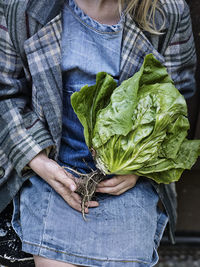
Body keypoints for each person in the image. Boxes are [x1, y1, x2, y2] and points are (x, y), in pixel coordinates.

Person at [0, 0, 197, 266]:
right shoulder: (22, 7)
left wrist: (138, 169)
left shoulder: (166, 12)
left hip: (127, 182)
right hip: (52, 172)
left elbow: (177, 98)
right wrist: (39, 162)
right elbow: (5, 93)